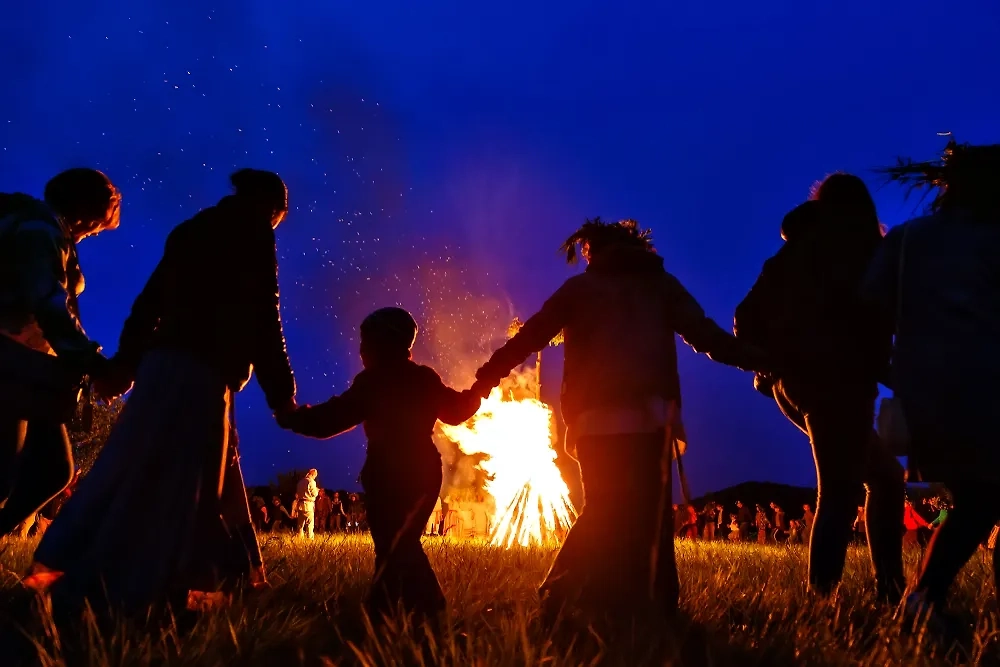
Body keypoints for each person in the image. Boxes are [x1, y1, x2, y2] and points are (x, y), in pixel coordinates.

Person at [27, 169, 297, 618]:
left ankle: (63, 577)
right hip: (201, 373)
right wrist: (282, 396)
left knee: (133, 470)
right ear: (273, 208)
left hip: (160, 367)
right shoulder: (253, 228)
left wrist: (128, 364)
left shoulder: (191, 229)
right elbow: (264, 316)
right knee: (187, 488)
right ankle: (152, 596)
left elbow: (149, 302)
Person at [474, 218, 770, 621]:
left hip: (595, 421)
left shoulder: (581, 289)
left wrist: (489, 374)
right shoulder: (660, 285)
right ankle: (656, 606)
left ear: (592, 250)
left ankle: (566, 598)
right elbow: (707, 337)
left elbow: (532, 336)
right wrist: (762, 360)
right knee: (651, 519)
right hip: (651, 420)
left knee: (603, 509)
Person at [735, 174, 905, 604]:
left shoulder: (791, 254)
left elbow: (745, 316)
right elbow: (872, 323)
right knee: (841, 490)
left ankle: (888, 588)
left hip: (796, 385)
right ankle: (823, 597)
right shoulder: (855, 254)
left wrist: (773, 365)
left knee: (883, 477)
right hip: (837, 384)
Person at [279, 307, 488, 623]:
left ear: (384, 342)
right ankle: (392, 613)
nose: (361, 350)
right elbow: (457, 411)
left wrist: (293, 416)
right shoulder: (424, 378)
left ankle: (418, 613)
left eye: (366, 341)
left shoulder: (373, 381)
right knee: (398, 545)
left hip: (387, 474)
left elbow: (330, 419)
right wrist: (481, 387)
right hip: (423, 474)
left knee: (395, 546)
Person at [865, 140, 1000, 623]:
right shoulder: (994, 238)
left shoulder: (907, 238)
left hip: (924, 391)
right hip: (986, 389)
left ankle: (924, 599)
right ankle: (924, 598)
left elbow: (870, 307)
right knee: (984, 498)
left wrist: (895, 369)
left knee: (975, 497)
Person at [0, 169, 121, 537]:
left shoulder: (48, 231)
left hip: (33, 369)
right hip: (11, 363)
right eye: (98, 225)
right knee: (5, 471)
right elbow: (48, 301)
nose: (96, 233)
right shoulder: (41, 230)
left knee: (55, 469)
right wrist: (90, 361)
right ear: (86, 212)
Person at [294, 469, 320, 539]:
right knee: (310, 524)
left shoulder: (300, 482)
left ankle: (299, 539)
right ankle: (310, 539)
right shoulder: (311, 482)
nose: (315, 477)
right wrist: (317, 491)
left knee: (300, 525)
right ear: (313, 474)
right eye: (315, 476)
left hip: (300, 505)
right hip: (308, 505)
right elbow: (314, 493)